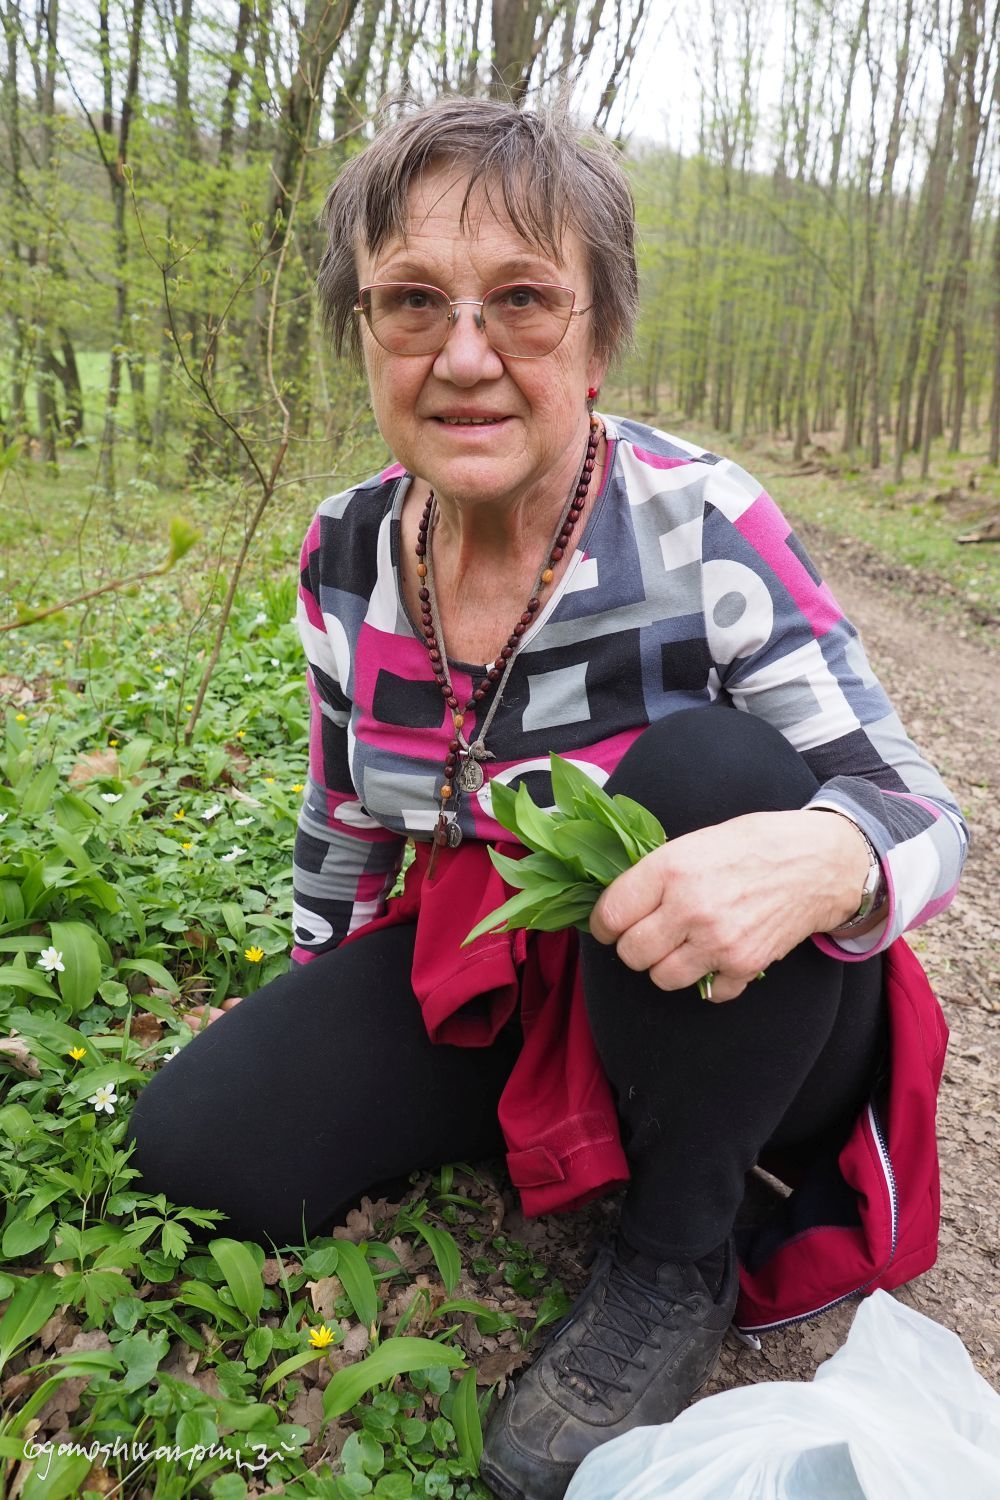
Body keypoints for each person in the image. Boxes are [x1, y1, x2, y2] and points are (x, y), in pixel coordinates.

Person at [125, 97, 968, 1500]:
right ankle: (559, 1118)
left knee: (712, 774)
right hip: (507, 963)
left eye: (523, 298)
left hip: (737, 993)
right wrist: (315, 1001)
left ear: (598, 330)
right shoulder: (347, 548)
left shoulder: (700, 521)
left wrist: (825, 854)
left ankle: (676, 1245)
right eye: (411, 303)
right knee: (202, 1150)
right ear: (364, 331)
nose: (465, 357)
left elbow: (921, 809)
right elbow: (347, 813)